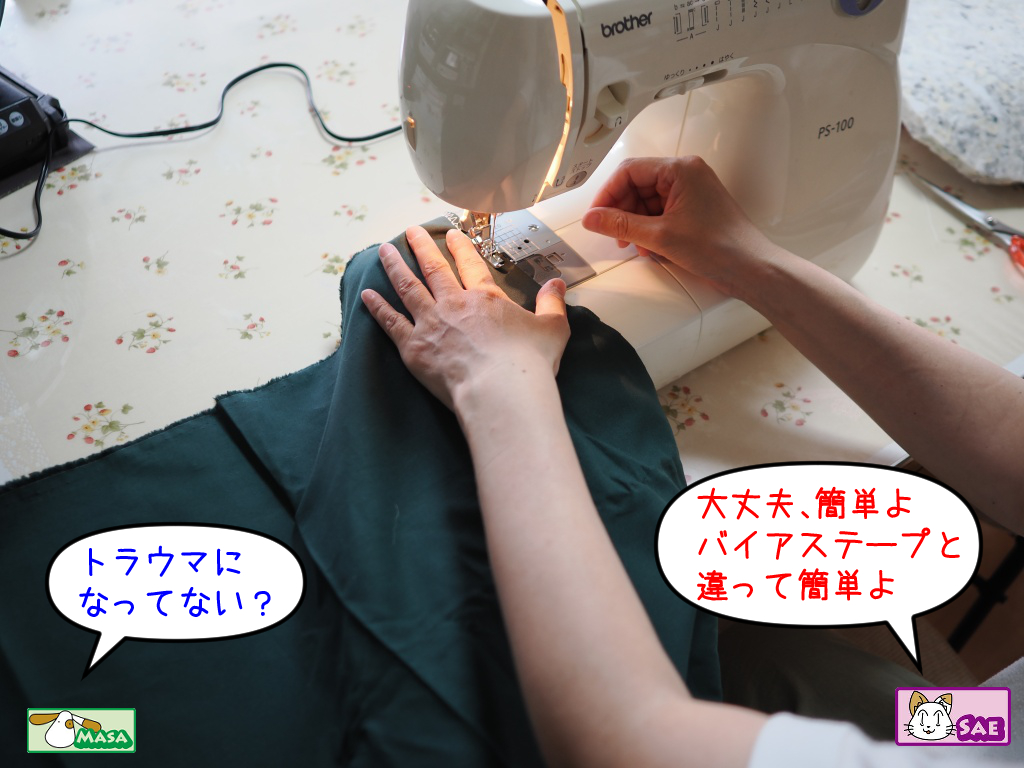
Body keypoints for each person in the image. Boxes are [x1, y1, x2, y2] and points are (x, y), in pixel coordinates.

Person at [360, 156, 1024, 767]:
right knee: (751, 648)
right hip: (990, 722)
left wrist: (496, 382)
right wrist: (746, 259)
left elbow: (620, 741)